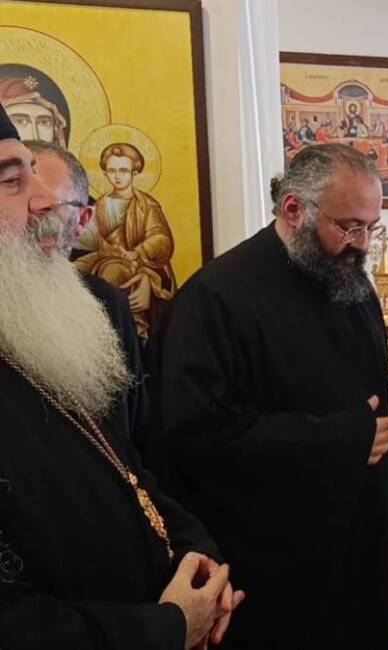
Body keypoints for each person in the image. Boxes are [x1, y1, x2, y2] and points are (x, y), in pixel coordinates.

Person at [0, 102, 243, 649]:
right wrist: (167, 628)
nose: (40, 200)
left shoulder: (43, 324)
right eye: (13, 181)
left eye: (33, 173)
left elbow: (125, 468)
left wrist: (197, 558)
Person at [142, 143, 388, 649]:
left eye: (373, 227)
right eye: (350, 227)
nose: (363, 244)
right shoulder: (216, 298)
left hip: (354, 536)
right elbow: (196, 433)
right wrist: (339, 441)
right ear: (294, 209)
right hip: (273, 555)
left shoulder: (352, 284)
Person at [24, 139, 149, 442]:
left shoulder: (107, 304)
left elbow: (136, 429)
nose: (27, 220)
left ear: (82, 221)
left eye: (47, 207)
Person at [73, 142, 177, 341]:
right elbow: (93, 239)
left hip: (138, 263)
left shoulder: (146, 205)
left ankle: (126, 334)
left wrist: (138, 252)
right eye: (112, 171)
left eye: (123, 171)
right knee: (72, 271)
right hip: (105, 257)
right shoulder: (101, 204)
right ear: (105, 173)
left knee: (113, 273)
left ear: (134, 173)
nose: (117, 176)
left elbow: (161, 239)